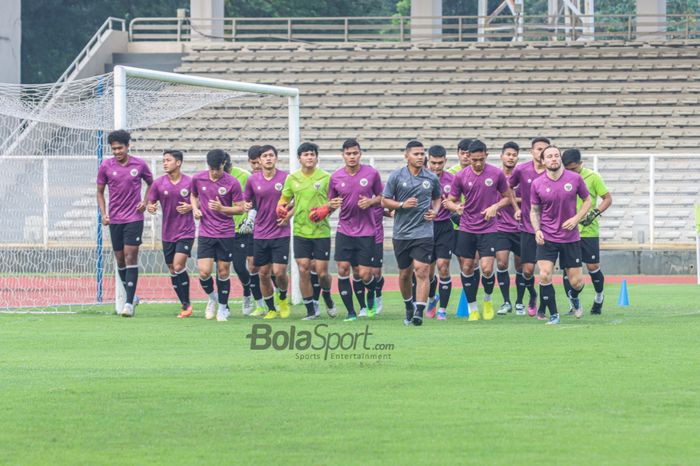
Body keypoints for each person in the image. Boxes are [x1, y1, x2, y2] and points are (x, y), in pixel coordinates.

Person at [445, 140, 519, 321]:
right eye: (474, 160)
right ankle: (473, 308)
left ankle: (487, 300)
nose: (478, 163)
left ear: (486, 155)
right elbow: (449, 201)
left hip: (489, 228)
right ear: (468, 157)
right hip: (467, 228)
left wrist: (495, 207)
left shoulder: (496, 174)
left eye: (481, 159)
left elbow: (507, 198)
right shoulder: (461, 176)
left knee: (487, 269)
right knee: (468, 267)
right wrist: (456, 208)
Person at [382, 140, 441, 326]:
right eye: (416, 154)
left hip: (424, 232)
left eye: (422, 154)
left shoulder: (431, 178)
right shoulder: (396, 177)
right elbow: (384, 201)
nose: (420, 157)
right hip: (402, 233)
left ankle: (419, 312)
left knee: (422, 270)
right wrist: (401, 205)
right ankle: (409, 305)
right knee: (405, 273)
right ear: (406, 156)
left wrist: (435, 211)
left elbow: (438, 197)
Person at [531, 146, 592, 325]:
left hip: (570, 237)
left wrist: (576, 218)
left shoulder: (575, 179)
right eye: (549, 156)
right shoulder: (537, 183)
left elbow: (587, 200)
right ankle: (554, 315)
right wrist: (537, 230)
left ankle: (574, 297)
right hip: (547, 236)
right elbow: (534, 210)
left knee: (576, 283)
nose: (554, 159)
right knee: (544, 275)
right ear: (543, 161)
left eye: (556, 155)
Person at [96, 129, 153, 317]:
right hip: (115, 219)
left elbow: (152, 184)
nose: (117, 152)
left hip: (134, 218)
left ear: (128, 147)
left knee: (130, 256)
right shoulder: (106, 166)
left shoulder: (140, 164)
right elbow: (100, 191)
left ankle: (128, 304)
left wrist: (145, 202)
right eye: (114, 149)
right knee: (120, 259)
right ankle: (133, 296)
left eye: (120, 148)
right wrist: (104, 214)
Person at [279, 142, 337, 320]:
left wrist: (325, 210)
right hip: (300, 231)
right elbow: (284, 198)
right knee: (303, 269)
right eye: (305, 155)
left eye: (312, 154)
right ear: (299, 158)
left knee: (321, 272)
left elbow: (335, 202)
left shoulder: (327, 178)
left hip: (321, 232)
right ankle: (311, 310)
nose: (309, 157)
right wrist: (280, 208)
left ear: (317, 157)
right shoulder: (292, 178)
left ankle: (326, 295)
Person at [328, 139, 383, 321]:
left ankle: (371, 296)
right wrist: (330, 205)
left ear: (360, 154)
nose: (352, 157)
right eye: (348, 153)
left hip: (367, 231)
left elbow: (382, 197)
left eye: (355, 153)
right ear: (343, 155)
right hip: (344, 230)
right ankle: (352, 312)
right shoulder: (335, 177)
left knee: (364, 274)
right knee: (343, 270)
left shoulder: (372, 174)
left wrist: (370, 201)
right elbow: (331, 203)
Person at [191, 149, 246, 322]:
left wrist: (222, 209)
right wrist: (195, 209)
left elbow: (240, 207)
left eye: (217, 168)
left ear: (224, 164)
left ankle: (223, 307)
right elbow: (193, 195)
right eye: (211, 168)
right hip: (206, 232)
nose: (214, 172)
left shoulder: (232, 182)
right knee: (204, 271)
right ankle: (213, 298)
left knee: (223, 272)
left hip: (225, 232)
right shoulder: (198, 178)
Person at [562, 148, 613, 315]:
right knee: (568, 269)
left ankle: (599, 297)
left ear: (580, 164)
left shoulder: (593, 177)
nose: (570, 172)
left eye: (573, 169)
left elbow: (607, 198)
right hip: (567, 231)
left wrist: (595, 212)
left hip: (588, 230)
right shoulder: (559, 178)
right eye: (567, 169)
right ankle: (573, 304)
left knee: (592, 266)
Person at [243, 145, 292, 319]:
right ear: (260, 160)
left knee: (279, 271)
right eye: (265, 156)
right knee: (263, 273)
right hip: (260, 232)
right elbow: (246, 201)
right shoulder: (253, 180)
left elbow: (296, 201)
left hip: (280, 231)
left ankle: (283, 299)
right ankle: (271, 308)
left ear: (276, 158)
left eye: (271, 155)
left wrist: (288, 215)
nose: (268, 158)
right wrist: (246, 205)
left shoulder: (286, 178)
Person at [147, 150, 195, 318]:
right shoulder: (159, 183)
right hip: (167, 233)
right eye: (163, 160)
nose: (165, 163)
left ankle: (187, 303)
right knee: (172, 269)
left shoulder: (190, 182)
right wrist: (150, 207)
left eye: (168, 160)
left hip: (186, 231)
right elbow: (150, 202)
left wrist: (191, 207)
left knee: (178, 265)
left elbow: (202, 201)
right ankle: (183, 303)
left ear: (178, 163)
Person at [508, 137, 549, 318]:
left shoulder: (554, 171)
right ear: (532, 151)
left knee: (545, 271)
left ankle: (544, 306)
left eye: (545, 149)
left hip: (549, 229)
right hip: (527, 227)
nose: (542, 152)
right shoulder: (522, 170)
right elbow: (507, 187)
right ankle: (532, 295)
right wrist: (516, 208)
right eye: (539, 149)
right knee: (527, 271)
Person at [494, 141, 526, 316]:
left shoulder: (522, 176)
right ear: (501, 156)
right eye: (508, 154)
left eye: (514, 155)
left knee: (521, 267)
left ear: (517, 158)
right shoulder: (495, 176)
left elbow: (530, 199)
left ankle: (520, 302)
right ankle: (506, 302)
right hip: (501, 228)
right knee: (501, 262)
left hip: (521, 227)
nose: (511, 157)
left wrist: (512, 199)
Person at [425, 145, 455, 320]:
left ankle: (442, 309)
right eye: (433, 163)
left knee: (443, 267)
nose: (436, 167)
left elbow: (458, 202)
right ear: (428, 160)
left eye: (440, 163)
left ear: (445, 161)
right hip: (425, 228)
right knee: (426, 272)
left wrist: (453, 206)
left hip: (444, 227)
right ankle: (431, 298)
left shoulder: (452, 179)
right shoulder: (421, 178)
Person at [223, 152, 254, 316]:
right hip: (220, 230)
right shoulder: (211, 178)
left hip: (240, 230)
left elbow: (252, 200)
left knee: (239, 266)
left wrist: (249, 219)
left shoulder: (244, 176)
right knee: (222, 268)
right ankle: (224, 304)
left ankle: (247, 291)